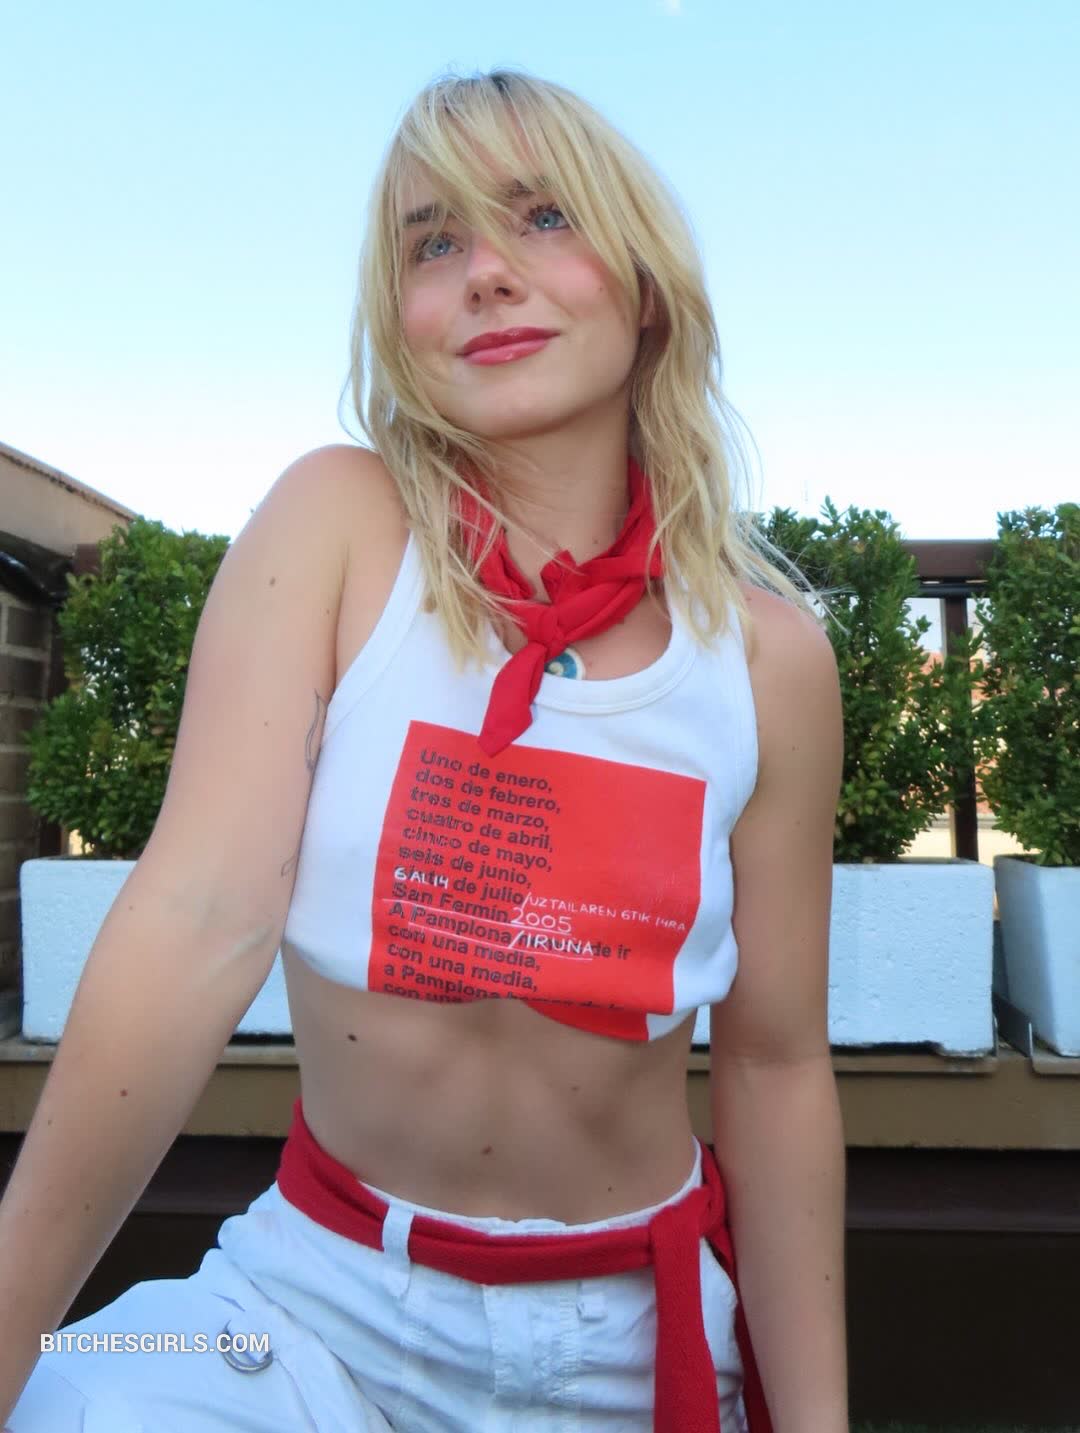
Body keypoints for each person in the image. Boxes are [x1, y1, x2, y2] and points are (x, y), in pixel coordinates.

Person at [0, 67, 849, 1432]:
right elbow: (201, 912)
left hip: (634, 1334)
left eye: (544, 218)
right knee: (82, 1405)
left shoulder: (767, 663)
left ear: (645, 287)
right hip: (314, 1302)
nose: (487, 272)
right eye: (433, 241)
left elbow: (776, 1067)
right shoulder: (333, 527)